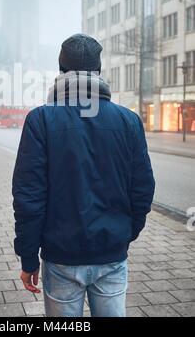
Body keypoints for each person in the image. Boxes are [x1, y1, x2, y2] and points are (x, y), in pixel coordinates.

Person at [12, 34, 155, 318]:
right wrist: (125, 234)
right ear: (99, 72)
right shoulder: (128, 121)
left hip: (61, 257)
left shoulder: (40, 120)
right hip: (112, 254)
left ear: (61, 71)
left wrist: (29, 258)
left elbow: (29, 197)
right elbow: (143, 189)